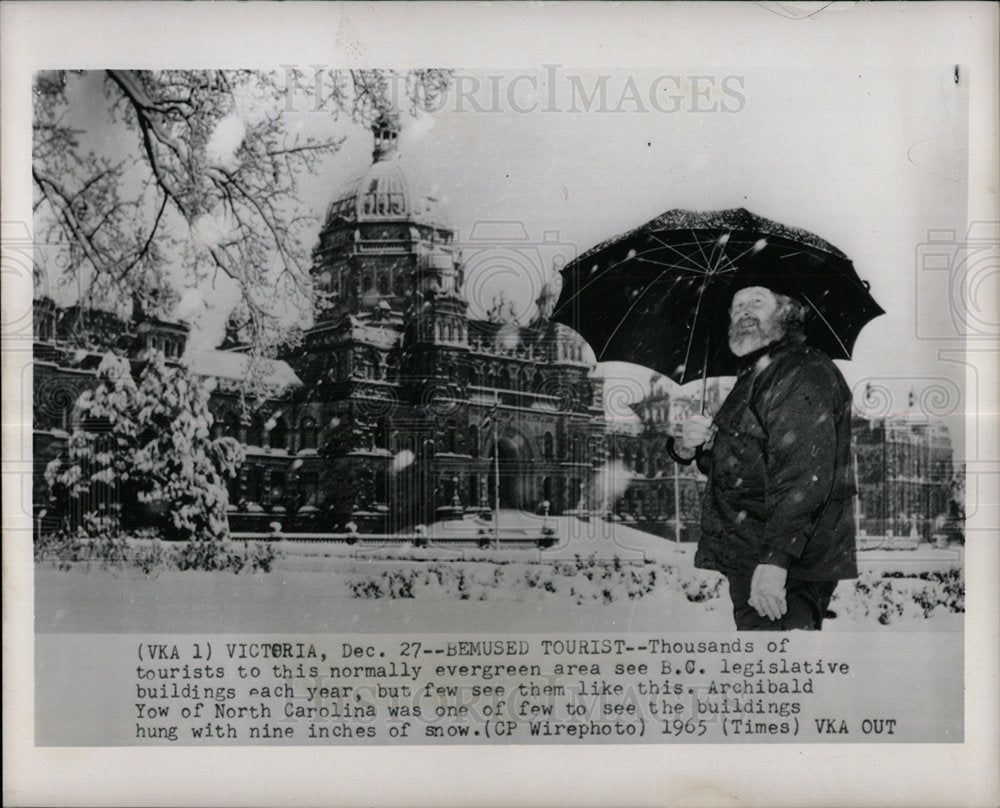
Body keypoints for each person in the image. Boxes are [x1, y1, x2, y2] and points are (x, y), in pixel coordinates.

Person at [667, 282, 857, 630]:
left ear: (787, 312)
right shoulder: (759, 374)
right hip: (754, 552)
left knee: (776, 670)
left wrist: (776, 560)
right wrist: (701, 444)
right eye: (737, 306)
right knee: (769, 671)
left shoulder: (800, 371)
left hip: (784, 562)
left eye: (757, 302)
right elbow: (743, 462)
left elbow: (805, 474)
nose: (743, 311)